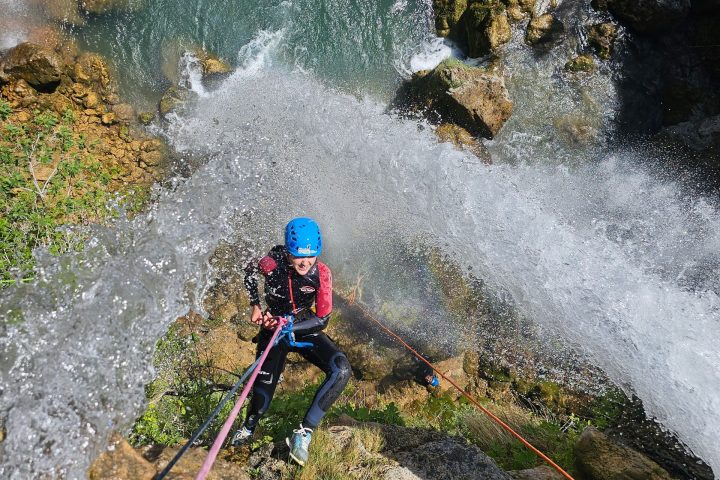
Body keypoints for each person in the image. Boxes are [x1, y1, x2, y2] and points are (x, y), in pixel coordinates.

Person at [231, 217, 352, 467]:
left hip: (303, 327)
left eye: (311, 256)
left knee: (341, 369)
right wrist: (255, 305)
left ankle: (304, 433)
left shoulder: (322, 273)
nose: (306, 262)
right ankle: (248, 429)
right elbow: (248, 270)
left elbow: (322, 319)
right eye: (299, 256)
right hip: (274, 330)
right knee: (262, 397)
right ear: (288, 251)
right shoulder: (271, 263)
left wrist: (290, 325)